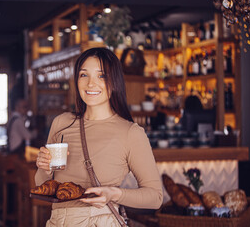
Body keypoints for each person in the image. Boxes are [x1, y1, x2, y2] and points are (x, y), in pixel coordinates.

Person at [35, 48, 163, 226]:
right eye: (83, 75)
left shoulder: (130, 132)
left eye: (101, 76)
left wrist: (114, 194)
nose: (90, 84)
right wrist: (44, 168)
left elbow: (155, 197)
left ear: (115, 81)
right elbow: (42, 184)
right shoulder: (61, 123)